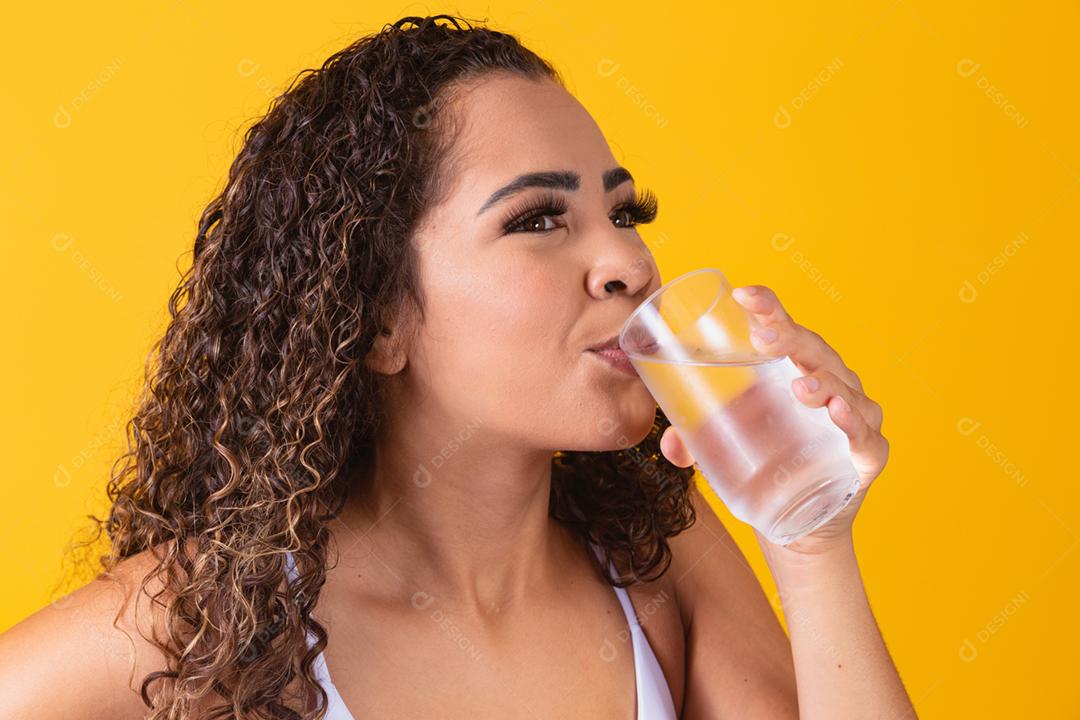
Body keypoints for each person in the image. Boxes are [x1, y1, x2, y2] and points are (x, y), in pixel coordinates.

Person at [0, 14, 914, 719]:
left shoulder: (660, 564)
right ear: (378, 320)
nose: (630, 266)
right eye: (537, 220)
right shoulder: (206, 625)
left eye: (625, 213)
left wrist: (811, 539)